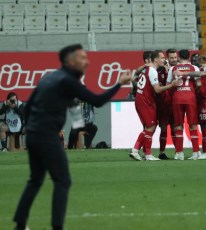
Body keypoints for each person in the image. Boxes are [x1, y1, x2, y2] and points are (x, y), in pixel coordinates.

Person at [13, 44, 132, 230]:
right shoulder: (68, 81)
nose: (87, 61)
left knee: (35, 180)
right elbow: (98, 101)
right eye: (83, 58)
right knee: (63, 180)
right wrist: (119, 83)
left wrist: (31, 129)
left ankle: (20, 224)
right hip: (46, 136)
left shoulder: (51, 77)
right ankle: (57, 226)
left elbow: (28, 107)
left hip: (34, 135)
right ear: (70, 61)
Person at [129, 50, 181, 161]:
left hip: (142, 99)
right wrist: (172, 85)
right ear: (155, 59)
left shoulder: (146, 69)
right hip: (145, 101)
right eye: (162, 58)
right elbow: (157, 90)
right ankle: (137, 151)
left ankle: (146, 154)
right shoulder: (152, 71)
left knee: (150, 126)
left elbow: (136, 75)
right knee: (150, 127)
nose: (164, 60)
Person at [167, 49, 201, 160]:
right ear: (189, 56)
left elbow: (168, 85)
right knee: (193, 126)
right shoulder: (194, 68)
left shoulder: (173, 68)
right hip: (190, 98)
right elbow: (199, 84)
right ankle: (196, 152)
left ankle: (179, 153)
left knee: (178, 126)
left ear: (178, 57)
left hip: (177, 98)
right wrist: (192, 89)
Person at [155, 48, 178, 160]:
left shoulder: (179, 69)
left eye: (175, 57)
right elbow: (157, 87)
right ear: (167, 58)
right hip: (163, 104)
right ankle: (161, 152)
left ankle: (178, 152)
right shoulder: (160, 71)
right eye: (171, 57)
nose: (174, 59)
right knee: (163, 129)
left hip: (175, 103)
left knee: (175, 128)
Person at [191, 53, 206, 160]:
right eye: (194, 60)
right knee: (193, 125)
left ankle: (205, 152)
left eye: (197, 59)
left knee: (204, 126)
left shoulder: (205, 68)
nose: (196, 61)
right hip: (193, 101)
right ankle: (196, 151)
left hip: (203, 101)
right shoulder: (191, 70)